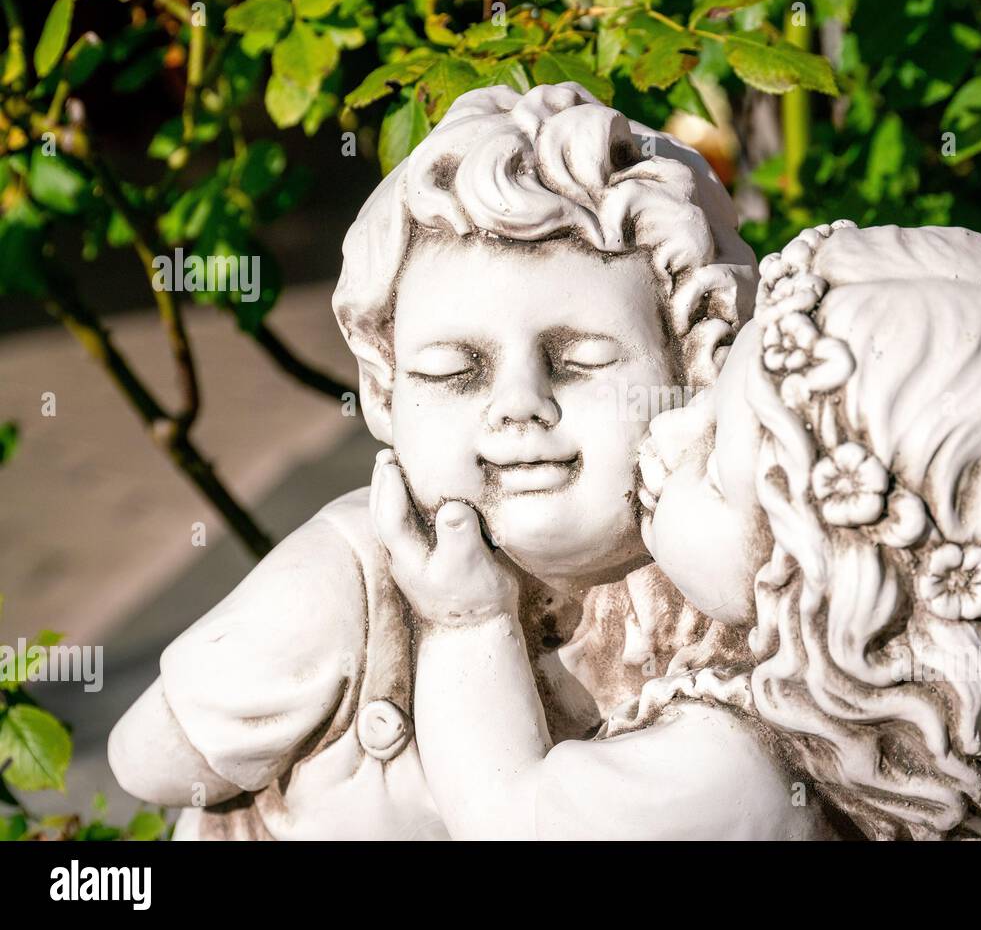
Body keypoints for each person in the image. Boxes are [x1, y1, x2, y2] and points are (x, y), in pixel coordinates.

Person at [107, 83, 756, 840]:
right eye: (456, 371)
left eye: (577, 360)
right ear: (382, 392)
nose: (519, 404)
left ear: (698, 362)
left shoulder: (739, 595)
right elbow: (147, 762)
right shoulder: (347, 588)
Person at [382, 222, 981, 840]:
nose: (674, 429)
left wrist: (467, 623)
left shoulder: (730, 771)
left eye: (714, 466)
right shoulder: (895, 734)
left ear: (821, 572)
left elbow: (514, 820)